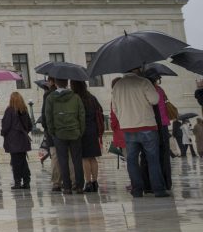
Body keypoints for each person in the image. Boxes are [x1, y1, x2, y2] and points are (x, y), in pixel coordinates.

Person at [111, 68, 169, 198]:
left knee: (132, 160)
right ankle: (158, 190)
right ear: (136, 69)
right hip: (147, 125)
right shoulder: (143, 82)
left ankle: (137, 190)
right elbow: (154, 100)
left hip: (128, 128)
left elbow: (114, 108)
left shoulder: (117, 86)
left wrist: (124, 120)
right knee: (153, 159)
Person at [44, 78, 85, 194]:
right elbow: (81, 115)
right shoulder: (75, 97)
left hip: (59, 133)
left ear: (56, 84)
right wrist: (80, 131)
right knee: (77, 160)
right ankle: (79, 186)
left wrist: (52, 132)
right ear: (67, 83)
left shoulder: (50, 98)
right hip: (74, 132)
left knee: (63, 160)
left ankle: (67, 187)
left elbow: (48, 117)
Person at [71, 80, 104, 192]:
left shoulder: (76, 98)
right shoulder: (92, 98)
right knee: (93, 157)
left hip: (82, 131)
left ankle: (88, 182)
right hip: (93, 130)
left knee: (85, 158)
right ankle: (95, 182)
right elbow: (100, 111)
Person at [1, 92, 33, 189]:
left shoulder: (9, 110)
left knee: (15, 161)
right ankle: (26, 181)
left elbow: (6, 126)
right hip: (23, 139)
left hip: (13, 140)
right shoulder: (24, 110)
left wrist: (3, 133)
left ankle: (17, 182)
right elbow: (30, 126)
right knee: (23, 161)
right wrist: (24, 132)